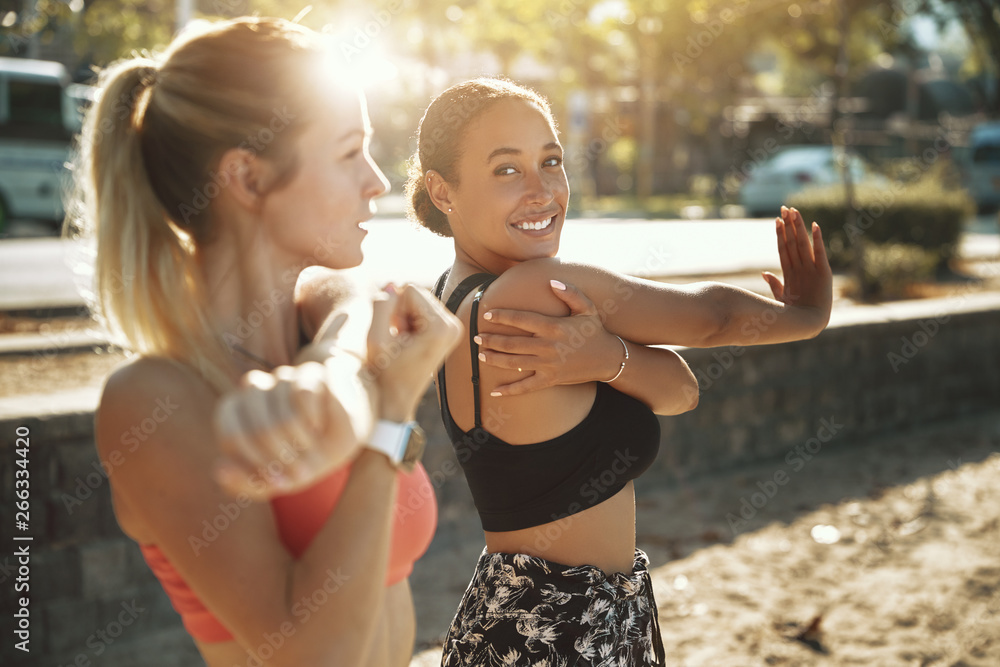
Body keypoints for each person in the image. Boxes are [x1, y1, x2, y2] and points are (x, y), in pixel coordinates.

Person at [69, 17, 462, 667]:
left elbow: (348, 308)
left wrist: (328, 370)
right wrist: (390, 417)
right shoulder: (153, 399)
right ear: (248, 179)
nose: (377, 181)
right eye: (347, 152)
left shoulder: (317, 317)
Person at [404, 77, 833, 666]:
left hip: (523, 621)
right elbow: (707, 320)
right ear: (441, 191)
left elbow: (682, 387)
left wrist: (607, 358)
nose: (542, 190)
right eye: (507, 170)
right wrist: (805, 316)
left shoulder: (452, 297)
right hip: (565, 632)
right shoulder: (532, 292)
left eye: (550, 161)